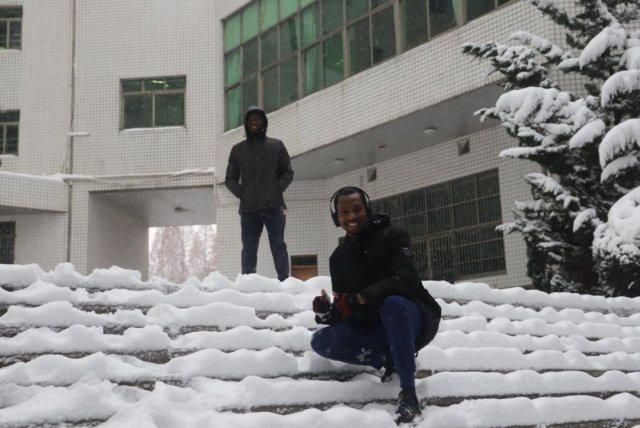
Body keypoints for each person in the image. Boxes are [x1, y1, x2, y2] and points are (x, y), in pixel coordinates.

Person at [310, 186, 441, 424]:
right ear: (336, 218)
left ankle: (409, 395)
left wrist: (366, 295)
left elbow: (408, 279)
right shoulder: (337, 258)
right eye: (344, 212)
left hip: (414, 316)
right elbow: (346, 308)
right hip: (374, 326)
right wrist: (328, 311)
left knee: (391, 304)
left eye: (357, 209)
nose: (351, 217)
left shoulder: (393, 236)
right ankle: (386, 358)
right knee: (320, 341)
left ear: (367, 209)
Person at [225, 106, 294, 281]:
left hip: (274, 206)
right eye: (251, 120)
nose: (254, 122)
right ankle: (248, 283)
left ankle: (284, 281)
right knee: (248, 248)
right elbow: (230, 179)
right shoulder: (238, 150)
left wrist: (276, 189)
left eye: (257, 119)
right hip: (249, 209)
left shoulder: (276, 145)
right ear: (246, 125)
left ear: (264, 122)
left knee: (278, 245)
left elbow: (287, 172)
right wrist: (243, 193)